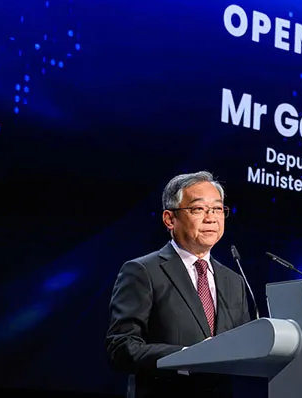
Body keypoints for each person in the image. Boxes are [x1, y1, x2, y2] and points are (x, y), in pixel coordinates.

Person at [106, 171, 254, 398]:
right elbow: (122, 348)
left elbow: (243, 349)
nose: (211, 218)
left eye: (217, 209)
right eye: (198, 209)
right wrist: (187, 355)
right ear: (169, 219)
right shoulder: (143, 271)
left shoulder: (234, 281)